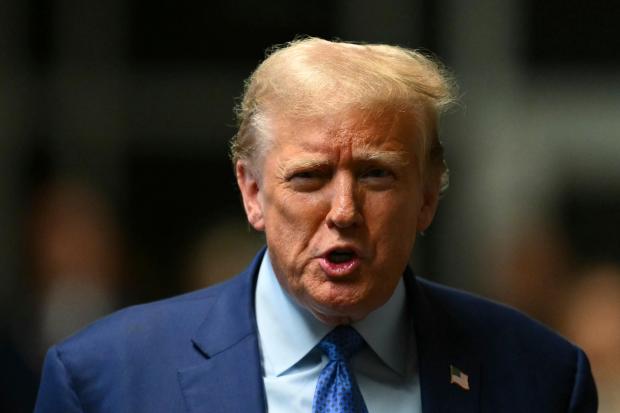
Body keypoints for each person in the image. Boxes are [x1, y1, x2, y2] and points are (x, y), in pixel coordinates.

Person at [34, 37, 597, 412]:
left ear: (428, 195)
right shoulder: (104, 380)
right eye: (309, 177)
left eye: (377, 175)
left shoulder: (543, 378)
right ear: (253, 192)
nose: (345, 210)